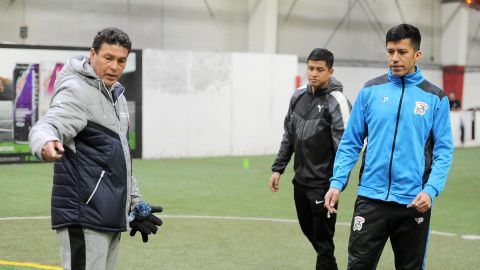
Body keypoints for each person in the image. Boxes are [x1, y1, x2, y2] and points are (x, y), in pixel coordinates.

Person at [28, 27, 162, 270]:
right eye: (108, 58)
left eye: (121, 61)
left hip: (108, 216)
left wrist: (134, 202)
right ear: (93, 55)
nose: (115, 67)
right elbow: (48, 124)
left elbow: (118, 158)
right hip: (83, 215)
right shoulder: (77, 91)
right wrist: (46, 143)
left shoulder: (117, 97)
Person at [324, 24, 453, 269]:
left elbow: (443, 151)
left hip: (413, 201)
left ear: (417, 54)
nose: (394, 58)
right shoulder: (370, 91)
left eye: (402, 52)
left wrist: (431, 190)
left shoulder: (435, 98)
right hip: (370, 199)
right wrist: (336, 182)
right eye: (390, 51)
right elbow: (351, 142)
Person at [269, 48, 351, 270]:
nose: (314, 73)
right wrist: (279, 168)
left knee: (324, 243)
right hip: (301, 182)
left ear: (330, 71)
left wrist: (337, 184)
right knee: (312, 234)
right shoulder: (297, 96)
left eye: (320, 69)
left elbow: (346, 147)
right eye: (311, 68)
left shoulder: (338, 101)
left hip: (324, 185)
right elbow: (289, 134)